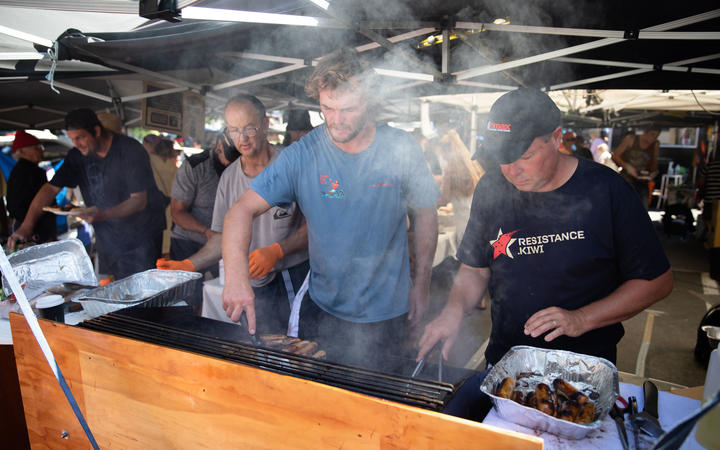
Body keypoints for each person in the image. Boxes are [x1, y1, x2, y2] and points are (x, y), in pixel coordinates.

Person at [417, 88, 673, 367]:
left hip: (583, 367)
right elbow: (475, 269)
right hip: (506, 362)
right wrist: (452, 312)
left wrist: (582, 318)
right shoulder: (491, 187)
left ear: (556, 138)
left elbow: (656, 281)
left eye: (525, 156)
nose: (511, 170)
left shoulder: (607, 190)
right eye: (502, 158)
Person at [220, 49, 440, 369]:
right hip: (323, 310)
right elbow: (239, 211)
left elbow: (425, 213)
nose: (336, 120)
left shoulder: (401, 148)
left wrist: (422, 285)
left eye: (348, 109)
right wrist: (236, 278)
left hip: (389, 311)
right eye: (327, 108)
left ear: (370, 100)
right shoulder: (303, 155)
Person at [158, 95, 309, 334]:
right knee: (256, 345)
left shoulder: (291, 164)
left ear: (265, 124)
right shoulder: (229, 178)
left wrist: (277, 250)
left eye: (249, 128)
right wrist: (189, 264)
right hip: (249, 280)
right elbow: (221, 237)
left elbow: (314, 227)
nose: (243, 138)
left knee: (295, 345)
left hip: (291, 276)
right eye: (235, 130)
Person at [9, 109, 166, 280]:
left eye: (80, 137)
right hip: (109, 236)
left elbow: (138, 201)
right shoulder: (77, 156)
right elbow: (50, 189)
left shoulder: (129, 151)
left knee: (144, 291)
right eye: (72, 139)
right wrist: (26, 226)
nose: (76, 144)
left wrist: (103, 214)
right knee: (114, 288)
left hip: (142, 234)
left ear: (96, 131)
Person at [160, 132, 237, 274]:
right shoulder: (194, 166)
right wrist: (206, 231)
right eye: (230, 158)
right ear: (219, 145)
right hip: (188, 242)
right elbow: (177, 213)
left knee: (219, 290)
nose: (232, 164)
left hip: (225, 243)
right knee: (188, 292)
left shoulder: (242, 166)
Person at [6, 130, 56, 244]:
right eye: (36, 148)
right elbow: (16, 206)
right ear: (22, 151)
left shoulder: (23, 170)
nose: (41, 150)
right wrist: (34, 229)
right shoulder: (27, 172)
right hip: (32, 230)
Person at [143, 137, 178, 256]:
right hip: (171, 204)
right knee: (168, 232)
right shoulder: (172, 165)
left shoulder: (150, 160)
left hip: (156, 204)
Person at [612, 127, 661, 210]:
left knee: (642, 211)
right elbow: (615, 156)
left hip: (643, 182)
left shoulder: (655, 144)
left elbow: (654, 163)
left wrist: (654, 172)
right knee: (625, 209)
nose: (653, 138)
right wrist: (627, 167)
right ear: (645, 132)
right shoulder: (631, 139)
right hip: (627, 181)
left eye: (656, 136)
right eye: (652, 134)